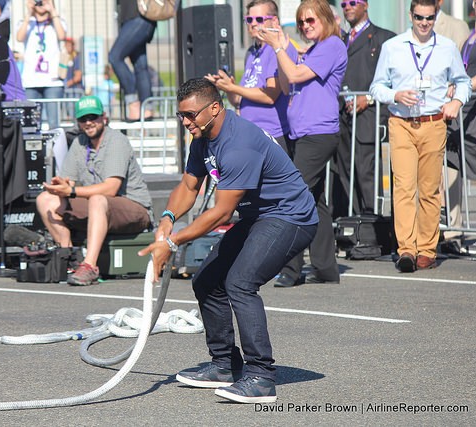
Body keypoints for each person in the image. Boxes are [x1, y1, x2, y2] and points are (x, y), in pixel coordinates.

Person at [138, 78, 318, 404]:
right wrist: (167, 218)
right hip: (258, 217)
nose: (185, 122)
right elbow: (189, 187)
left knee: (240, 282)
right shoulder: (203, 138)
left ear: (215, 108)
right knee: (207, 280)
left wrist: (172, 243)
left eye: (191, 115)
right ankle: (224, 365)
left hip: (291, 217)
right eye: (181, 115)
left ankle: (261, 377)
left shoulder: (238, 145)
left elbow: (221, 213)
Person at [370, 0, 471, 272]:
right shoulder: (393, 47)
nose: (424, 23)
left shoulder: (447, 47)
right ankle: (406, 249)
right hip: (401, 122)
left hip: (434, 122)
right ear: (410, 15)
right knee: (403, 187)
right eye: (419, 17)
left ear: (435, 15)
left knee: (429, 189)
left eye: (429, 18)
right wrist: (395, 94)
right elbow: (376, 87)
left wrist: (457, 102)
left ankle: (427, 249)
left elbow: (463, 82)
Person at [263, 0, 347, 287]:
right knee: (314, 200)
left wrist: (278, 46)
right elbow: (288, 86)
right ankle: (325, 268)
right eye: (301, 22)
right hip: (301, 133)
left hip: (318, 133)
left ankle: (291, 267)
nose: (305, 26)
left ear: (325, 19)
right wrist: (281, 49)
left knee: (291, 194)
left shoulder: (332, 45)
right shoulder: (310, 50)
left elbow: (297, 75)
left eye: (311, 21)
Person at [36, 95, 153, 286]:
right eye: (83, 119)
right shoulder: (79, 142)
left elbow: (111, 188)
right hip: (98, 205)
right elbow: (69, 181)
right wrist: (58, 186)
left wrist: (71, 191)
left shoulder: (116, 140)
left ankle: (90, 267)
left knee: (98, 199)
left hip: (134, 207)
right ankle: (69, 257)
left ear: (104, 117)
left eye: (93, 117)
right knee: (45, 199)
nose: (89, 122)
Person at [208, 0, 297, 153]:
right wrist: (227, 87)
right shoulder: (251, 52)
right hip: (249, 132)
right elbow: (238, 100)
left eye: (259, 19)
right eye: (249, 19)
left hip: (272, 134)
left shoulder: (278, 49)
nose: (253, 24)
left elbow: (270, 95)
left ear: (274, 20)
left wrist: (233, 87)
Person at [333, 0, 395, 218]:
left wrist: (368, 98)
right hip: (343, 118)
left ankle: (371, 227)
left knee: (366, 174)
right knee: (346, 175)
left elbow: (392, 81)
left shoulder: (384, 38)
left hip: (368, 117)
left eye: (353, 2)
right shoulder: (340, 40)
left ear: (366, 5)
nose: (347, 7)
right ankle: (355, 228)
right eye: (343, 4)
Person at [444, 0, 476, 254]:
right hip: (466, 111)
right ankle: (452, 232)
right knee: (459, 166)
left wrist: (464, 87)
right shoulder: (471, 36)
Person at [16, 0, 67, 129]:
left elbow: (62, 36)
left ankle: (55, 149)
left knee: (54, 124)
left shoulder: (57, 22)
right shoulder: (26, 23)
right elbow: (19, 37)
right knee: (31, 124)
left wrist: (52, 11)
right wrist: (29, 13)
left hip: (53, 81)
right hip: (31, 81)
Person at [108, 0, 157, 121]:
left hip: (138, 17)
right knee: (140, 66)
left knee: (114, 57)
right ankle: (147, 108)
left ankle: (133, 102)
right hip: (135, 18)